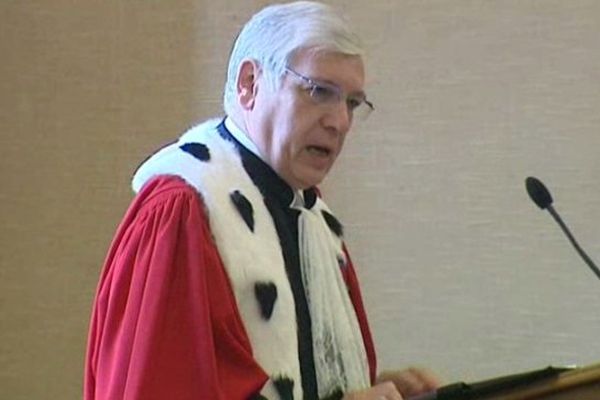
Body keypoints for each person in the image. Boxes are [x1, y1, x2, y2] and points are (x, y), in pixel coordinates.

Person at [84, 2, 440, 399]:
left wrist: (373, 387)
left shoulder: (312, 219)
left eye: (352, 103)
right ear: (249, 84)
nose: (339, 121)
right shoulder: (184, 210)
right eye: (319, 91)